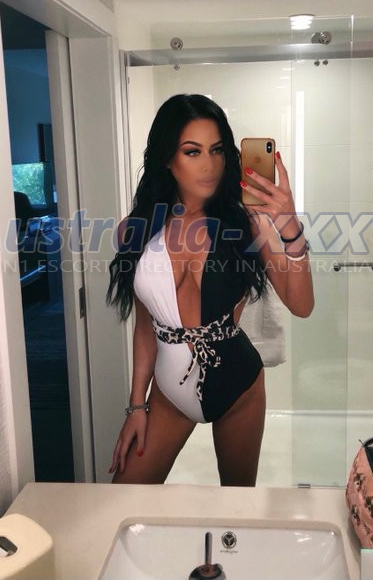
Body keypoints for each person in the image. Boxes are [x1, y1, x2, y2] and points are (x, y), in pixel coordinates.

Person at [105, 93, 314, 486]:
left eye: (217, 150)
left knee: (237, 507)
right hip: (169, 396)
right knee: (123, 497)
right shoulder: (135, 230)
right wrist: (136, 406)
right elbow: (146, 327)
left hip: (239, 390)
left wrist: (288, 224)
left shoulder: (246, 224)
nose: (209, 165)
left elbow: (301, 305)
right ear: (167, 159)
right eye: (192, 151)